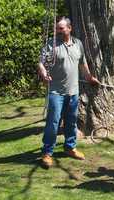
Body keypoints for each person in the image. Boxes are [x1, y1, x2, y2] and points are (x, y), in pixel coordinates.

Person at [38, 17, 99, 168]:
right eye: (57, 28)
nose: (58, 31)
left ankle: (70, 147)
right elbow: (41, 62)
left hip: (73, 92)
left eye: (61, 28)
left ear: (69, 28)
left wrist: (90, 78)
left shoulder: (78, 43)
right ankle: (47, 153)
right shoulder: (51, 44)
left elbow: (82, 64)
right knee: (53, 123)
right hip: (56, 92)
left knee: (71, 121)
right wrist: (44, 74)